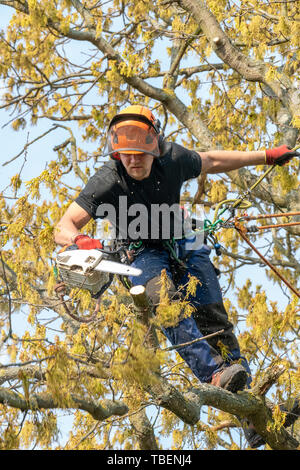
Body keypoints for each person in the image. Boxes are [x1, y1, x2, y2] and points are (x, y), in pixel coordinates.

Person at [54, 105, 299, 447]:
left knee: (212, 311)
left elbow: (212, 160)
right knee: (167, 305)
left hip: (183, 237)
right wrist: (81, 240)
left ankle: (255, 413)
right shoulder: (107, 178)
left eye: (139, 153)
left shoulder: (174, 159)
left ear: (154, 147)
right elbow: (63, 226)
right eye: (126, 154)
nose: (133, 160)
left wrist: (266, 157)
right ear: (117, 152)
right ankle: (214, 375)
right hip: (140, 251)